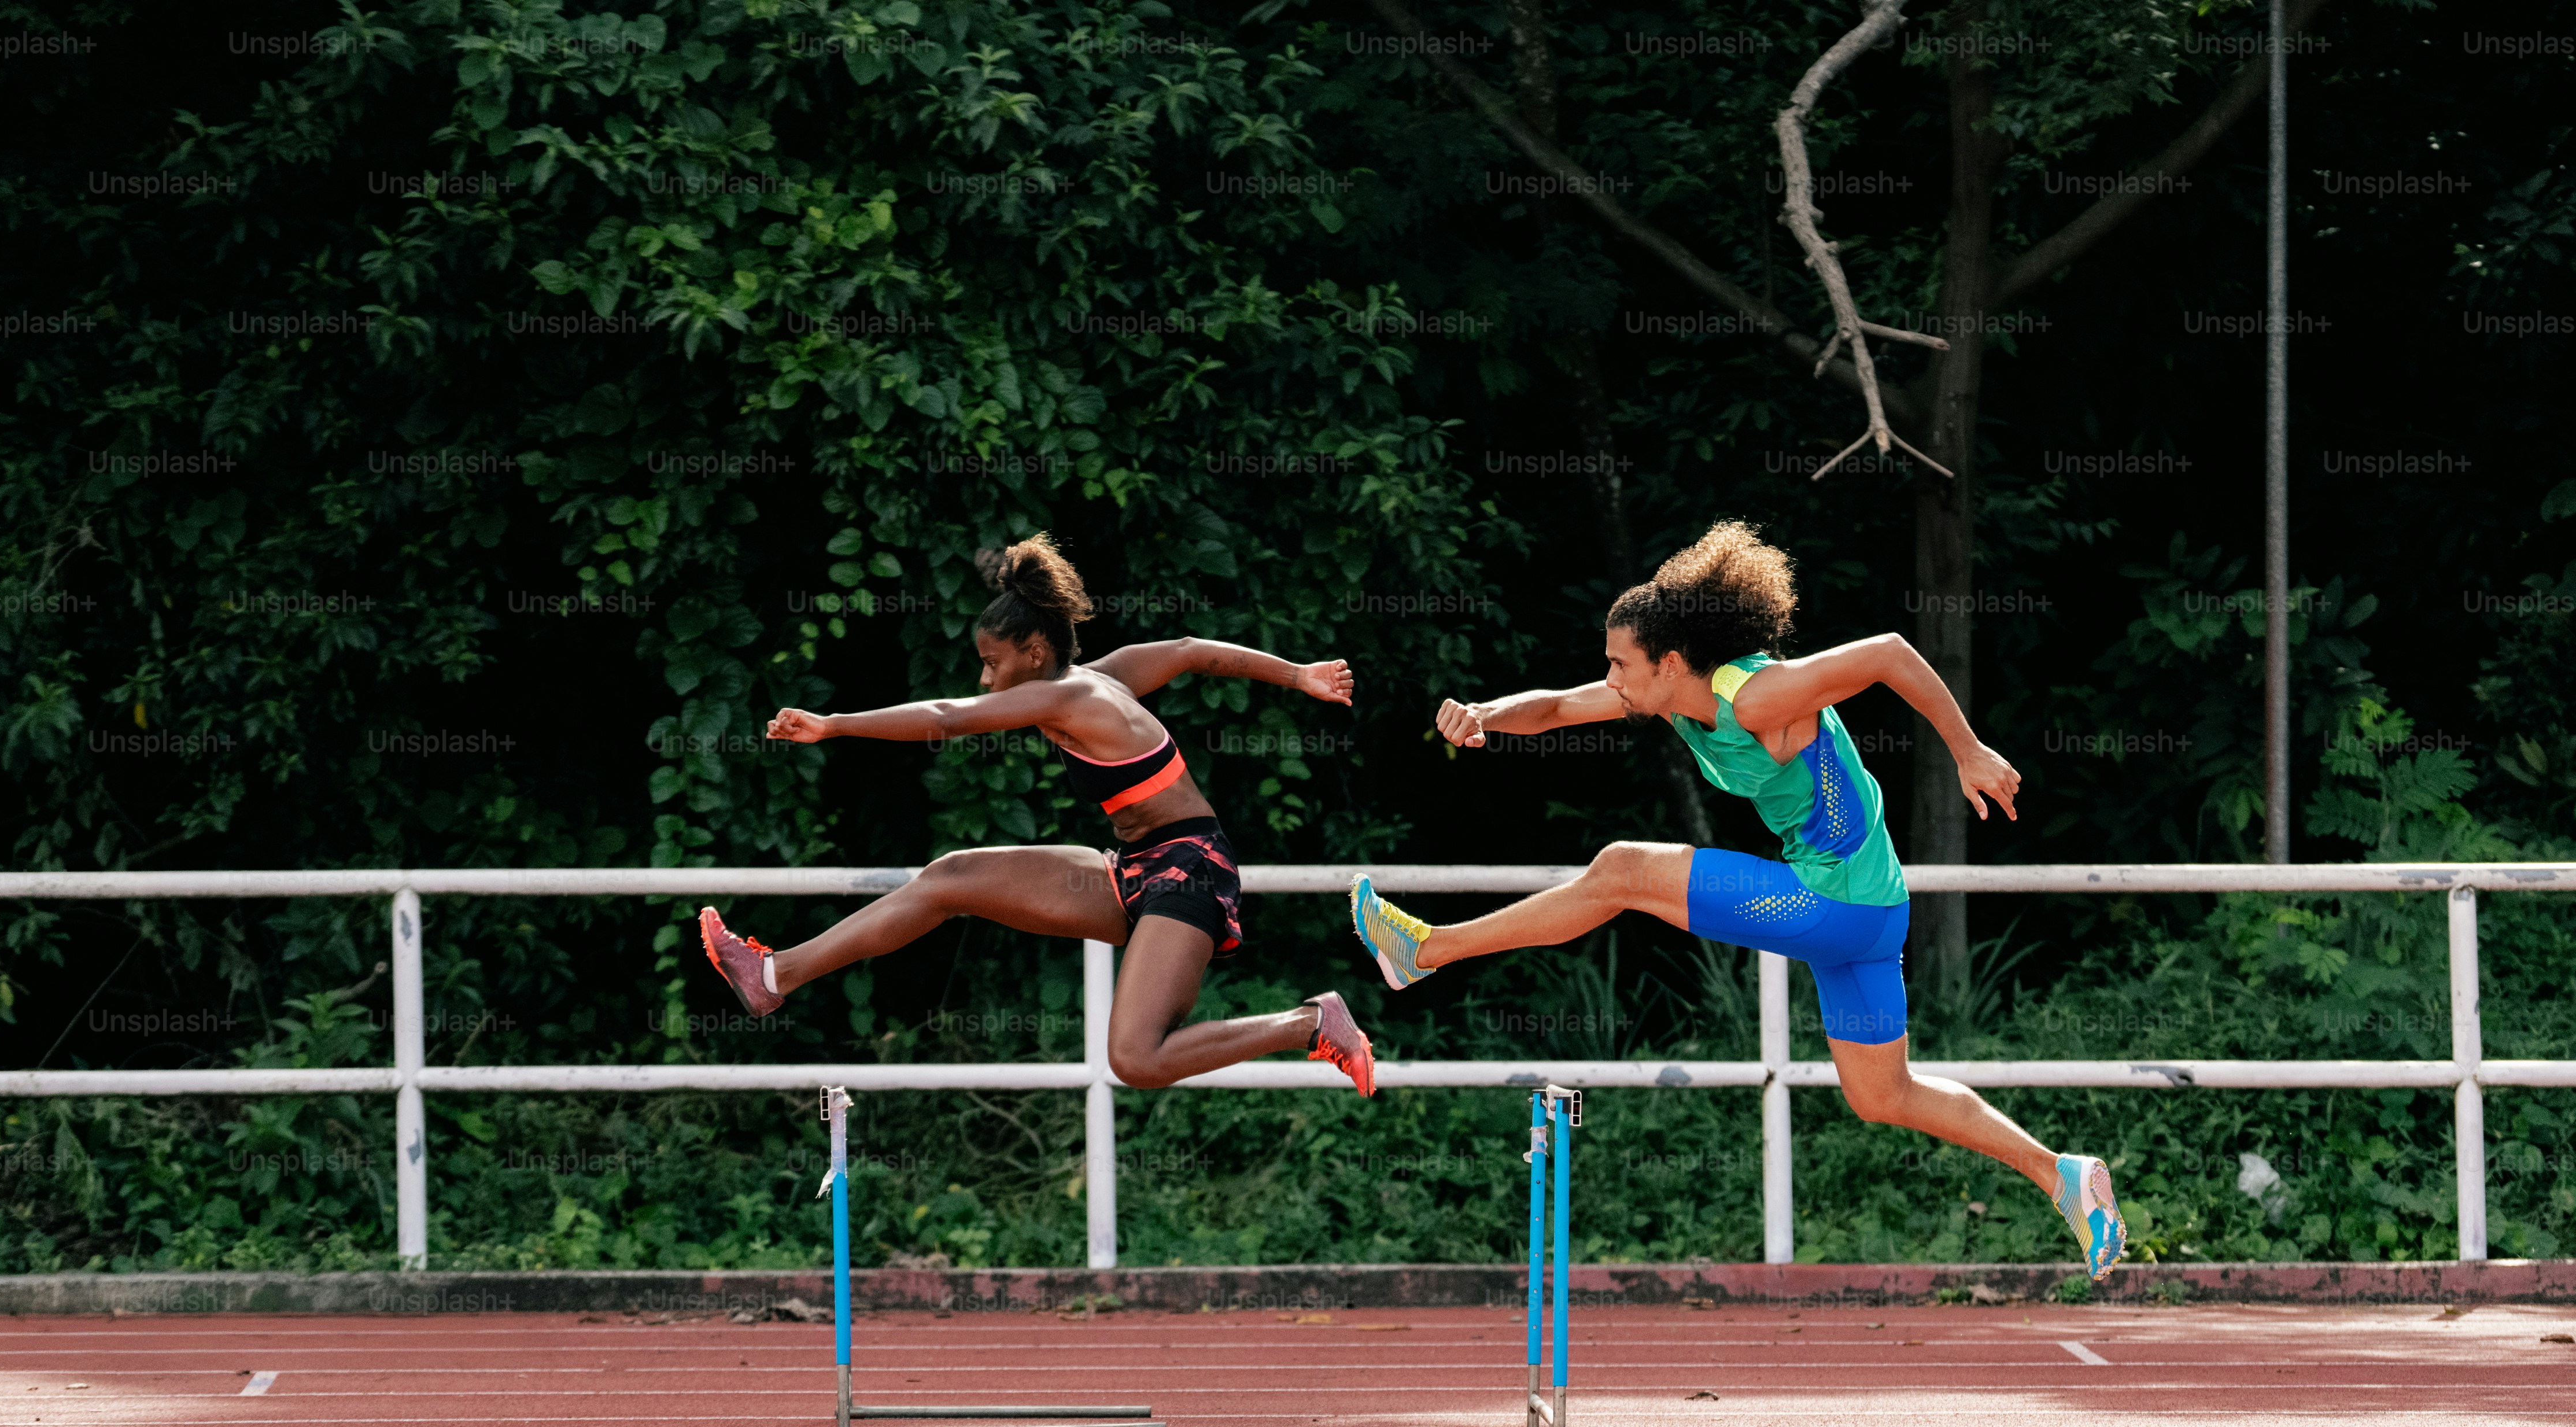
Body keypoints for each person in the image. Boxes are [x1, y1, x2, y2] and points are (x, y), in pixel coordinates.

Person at [1346, 519, 2127, 1276]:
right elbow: (1552, 706)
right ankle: (2061, 1172)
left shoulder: (1755, 697)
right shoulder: (1663, 694)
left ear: (1671, 661)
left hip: (1834, 900)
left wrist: (1968, 751)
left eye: (1620, 665)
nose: (1610, 679)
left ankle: (1426, 950)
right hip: (1870, 913)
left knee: (1622, 870)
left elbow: (1889, 653)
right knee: (1882, 1093)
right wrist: (1482, 716)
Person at [697, 533, 1377, 1093]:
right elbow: (1190, 652)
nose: (986, 681)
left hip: (1188, 871)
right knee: (951, 877)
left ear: (1035, 652)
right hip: (1135, 868)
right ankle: (773, 976)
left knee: (1135, 1060)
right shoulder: (1102, 680)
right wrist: (1296, 673)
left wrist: (834, 724)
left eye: (993, 664)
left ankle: (1310, 1021)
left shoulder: (1068, 698)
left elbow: (947, 716)